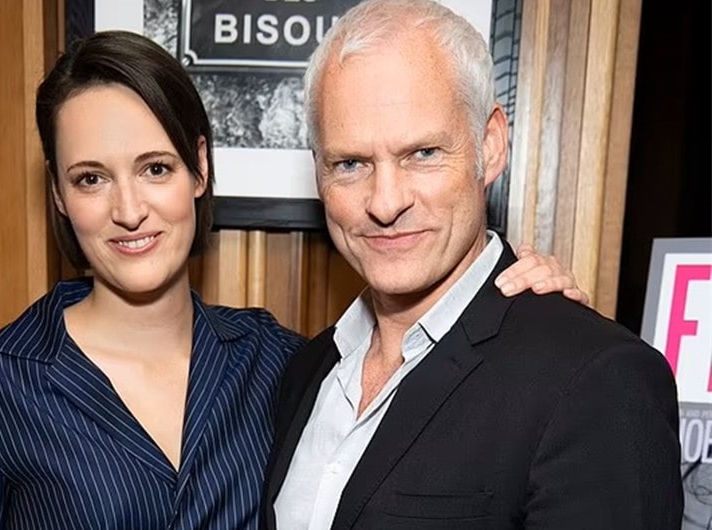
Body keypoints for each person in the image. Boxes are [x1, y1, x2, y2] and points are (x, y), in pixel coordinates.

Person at [0, 30, 588, 529]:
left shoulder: (284, 364)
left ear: (199, 169)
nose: (128, 210)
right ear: (60, 196)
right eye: (91, 178)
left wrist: (530, 311)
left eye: (155, 168)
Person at [261, 1, 683, 529]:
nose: (385, 203)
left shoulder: (597, 381)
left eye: (423, 154)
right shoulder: (307, 371)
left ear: (491, 144)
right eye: (351, 164)